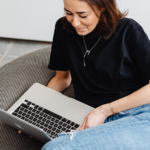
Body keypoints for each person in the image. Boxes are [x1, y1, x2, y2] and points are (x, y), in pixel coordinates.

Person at [42, 0, 150, 149]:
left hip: (139, 113)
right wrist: (40, 108)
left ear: (102, 8)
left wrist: (105, 110)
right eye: (68, 13)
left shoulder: (129, 30)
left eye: (83, 15)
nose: (75, 22)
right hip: (92, 119)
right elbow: (62, 78)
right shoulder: (63, 28)